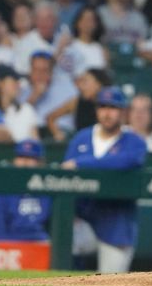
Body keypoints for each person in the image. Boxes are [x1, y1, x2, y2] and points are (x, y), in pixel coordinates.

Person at [63, 87, 147, 274]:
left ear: (123, 111)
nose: (107, 113)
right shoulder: (81, 138)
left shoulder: (134, 141)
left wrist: (81, 163)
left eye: (113, 107)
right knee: (60, 244)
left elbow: (126, 160)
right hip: (82, 218)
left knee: (112, 285)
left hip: (116, 222)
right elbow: (65, 174)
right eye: (102, 107)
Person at [0, 139, 51, 241]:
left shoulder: (48, 189)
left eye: (30, 158)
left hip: (41, 245)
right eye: (21, 157)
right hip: (9, 247)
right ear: (14, 160)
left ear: (41, 163)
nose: (24, 162)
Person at [46, 68, 110, 141]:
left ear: (98, 85)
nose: (80, 87)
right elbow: (50, 118)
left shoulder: (111, 105)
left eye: (85, 82)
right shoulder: (76, 102)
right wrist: (58, 134)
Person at [0, 64, 39, 142]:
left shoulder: (26, 110)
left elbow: (35, 142)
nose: (18, 85)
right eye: (14, 81)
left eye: (18, 81)